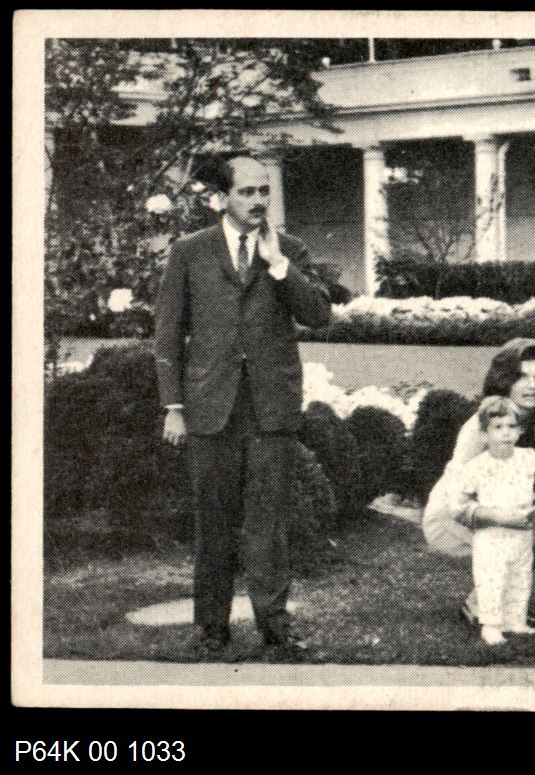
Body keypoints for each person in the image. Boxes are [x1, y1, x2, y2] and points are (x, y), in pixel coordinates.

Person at [154, 155, 331, 652]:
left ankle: (275, 627)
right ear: (222, 198)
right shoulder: (189, 251)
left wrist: (279, 265)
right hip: (210, 406)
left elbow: (319, 315)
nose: (258, 201)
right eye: (247, 191)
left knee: (268, 523)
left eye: (263, 191)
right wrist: (174, 407)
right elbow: (167, 334)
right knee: (213, 522)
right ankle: (212, 626)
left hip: (271, 408)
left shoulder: (289, 250)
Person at [422, 338, 535, 627]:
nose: (532, 386)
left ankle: (485, 603)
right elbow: (456, 498)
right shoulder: (481, 425)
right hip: (451, 518)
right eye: (521, 377)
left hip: (505, 511)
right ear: (504, 381)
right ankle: (487, 604)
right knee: (512, 534)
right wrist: (500, 518)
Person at [457, 396, 535, 645]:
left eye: (511, 426)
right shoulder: (477, 466)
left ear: (520, 430)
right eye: (498, 427)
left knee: (520, 576)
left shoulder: (527, 456)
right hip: (492, 534)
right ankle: (491, 625)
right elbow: (462, 502)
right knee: (492, 578)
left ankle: (516, 620)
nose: (506, 433)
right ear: (485, 434)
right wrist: (494, 516)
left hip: (522, 531)